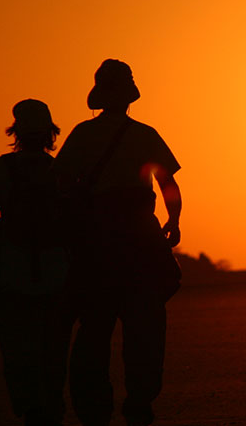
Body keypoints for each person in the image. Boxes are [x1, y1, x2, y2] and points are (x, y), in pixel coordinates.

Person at [54, 59, 182, 426]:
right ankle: (140, 404)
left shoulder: (82, 134)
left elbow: (60, 186)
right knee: (145, 329)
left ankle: (95, 410)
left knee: (94, 329)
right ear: (129, 96)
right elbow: (168, 185)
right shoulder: (145, 134)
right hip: (140, 240)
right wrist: (172, 222)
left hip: (95, 245)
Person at [0, 99, 69, 426]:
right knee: (53, 350)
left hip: (11, 273)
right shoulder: (62, 171)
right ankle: (51, 409)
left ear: (16, 131)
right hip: (56, 274)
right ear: (50, 133)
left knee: (17, 350)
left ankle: (31, 409)